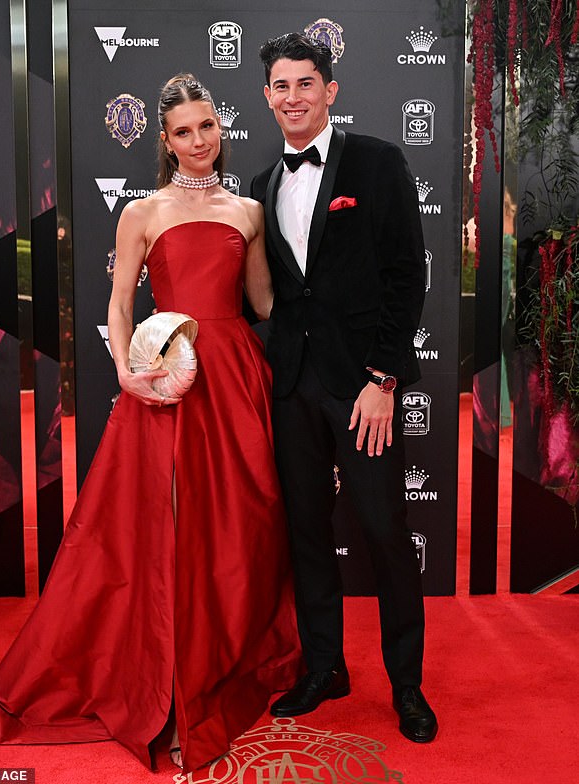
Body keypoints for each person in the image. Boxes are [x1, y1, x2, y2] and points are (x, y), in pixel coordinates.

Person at [0, 74, 302, 773]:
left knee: (240, 527)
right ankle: (170, 691)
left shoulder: (248, 211)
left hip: (236, 376)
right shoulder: (143, 212)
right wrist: (125, 370)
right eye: (184, 131)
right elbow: (119, 304)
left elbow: (266, 304)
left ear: (220, 129)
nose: (199, 140)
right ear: (166, 141)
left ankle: (218, 665)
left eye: (207, 126)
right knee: (165, 537)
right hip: (170, 378)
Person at [251, 33, 438, 743]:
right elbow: (269, 298)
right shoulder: (263, 184)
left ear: (330, 90)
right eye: (280, 85)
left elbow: (404, 275)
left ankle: (408, 686)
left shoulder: (378, 161)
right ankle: (325, 666)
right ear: (267, 97)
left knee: (387, 534)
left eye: (306, 83)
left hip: (363, 389)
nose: (293, 96)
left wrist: (383, 379)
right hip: (293, 387)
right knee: (305, 535)